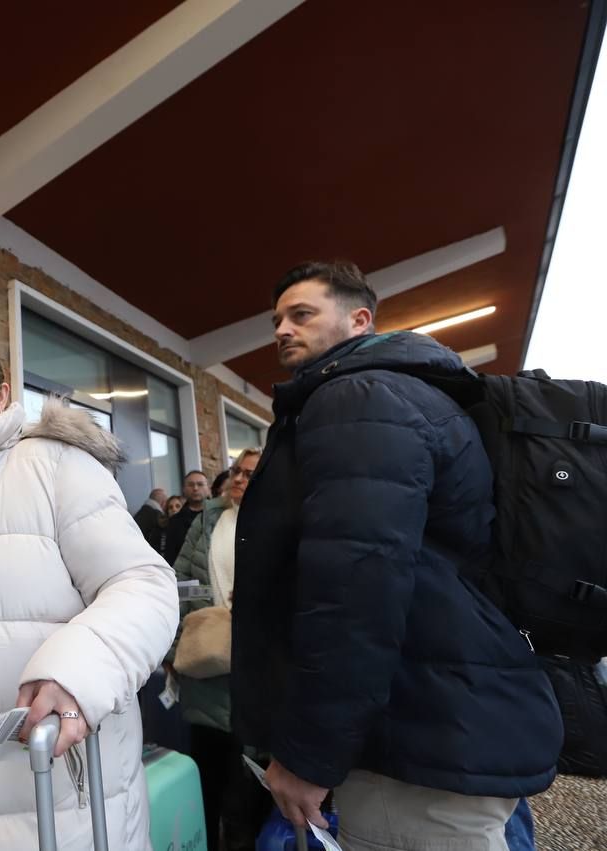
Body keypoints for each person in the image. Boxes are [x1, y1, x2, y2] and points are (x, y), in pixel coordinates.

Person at [232, 261, 561, 851]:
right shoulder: (402, 391)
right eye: (276, 319)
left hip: (413, 736)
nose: (282, 328)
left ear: (360, 319)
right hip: (447, 719)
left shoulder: (359, 397)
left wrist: (310, 754)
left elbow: (355, 587)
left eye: (301, 314)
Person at [0, 336, 179, 850]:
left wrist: (77, 674)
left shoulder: (54, 464)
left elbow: (144, 585)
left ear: (2, 395)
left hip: (50, 790)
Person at [172, 449, 269, 850]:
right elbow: (181, 581)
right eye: (236, 472)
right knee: (209, 779)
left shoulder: (281, 520)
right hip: (207, 665)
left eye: (250, 474)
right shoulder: (207, 521)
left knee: (253, 792)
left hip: (260, 674)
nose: (240, 480)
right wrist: (189, 628)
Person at [161, 469, 209, 566]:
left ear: (208, 488)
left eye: (200, 484)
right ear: (184, 489)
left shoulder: (219, 515)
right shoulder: (175, 522)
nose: (195, 488)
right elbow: (170, 556)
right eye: (191, 485)